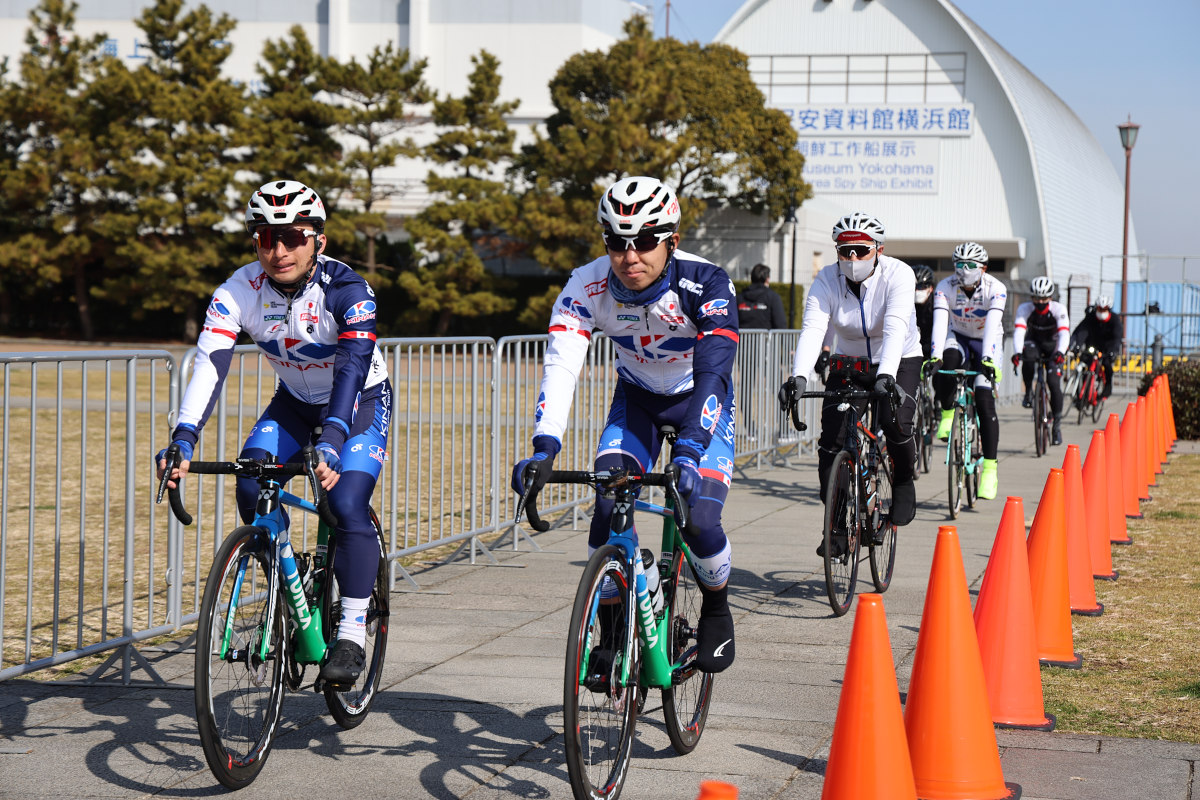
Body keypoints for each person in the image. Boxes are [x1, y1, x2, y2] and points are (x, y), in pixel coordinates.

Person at [156, 180, 392, 688]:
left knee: (348, 504)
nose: (278, 251)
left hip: (358, 404)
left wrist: (331, 434)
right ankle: (289, 599)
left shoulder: (348, 290)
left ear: (319, 242)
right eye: (265, 238)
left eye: (292, 237)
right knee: (250, 480)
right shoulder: (238, 290)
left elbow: (351, 367)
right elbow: (209, 365)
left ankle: (352, 631)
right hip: (293, 404)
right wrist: (184, 436)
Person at [511, 176, 738, 674]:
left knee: (698, 516)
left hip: (698, 400)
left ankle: (717, 607)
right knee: (609, 502)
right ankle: (614, 630)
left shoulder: (707, 282)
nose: (630, 256)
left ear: (672, 241)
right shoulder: (586, 284)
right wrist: (544, 447)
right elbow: (563, 363)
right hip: (636, 402)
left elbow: (715, 370)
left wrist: (690, 451)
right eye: (616, 241)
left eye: (645, 241)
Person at [777, 211, 922, 557]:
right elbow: (813, 328)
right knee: (832, 441)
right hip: (851, 361)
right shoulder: (826, 280)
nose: (853, 258)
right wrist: (800, 376)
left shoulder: (899, 275)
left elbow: (895, 327)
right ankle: (837, 524)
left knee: (894, 420)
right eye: (845, 251)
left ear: (879, 250)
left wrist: (886, 374)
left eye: (861, 250)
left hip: (899, 357)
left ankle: (903, 479)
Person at [927, 241, 1005, 500]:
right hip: (957, 336)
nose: (963, 270)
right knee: (946, 365)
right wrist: (935, 356)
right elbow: (940, 323)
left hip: (986, 339)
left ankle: (991, 469)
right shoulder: (945, 286)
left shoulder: (996, 288)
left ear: (982, 268)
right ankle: (947, 414)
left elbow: (993, 324)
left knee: (984, 400)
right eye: (959, 264)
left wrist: (988, 360)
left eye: (970, 265)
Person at [1012, 276, 1069, 445]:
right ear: (1032, 298)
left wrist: (1060, 352)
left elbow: (1064, 333)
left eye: (1044, 299)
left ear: (1050, 298)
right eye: (1037, 298)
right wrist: (1016, 352)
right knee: (1027, 357)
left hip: (1053, 346)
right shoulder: (1025, 308)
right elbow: (1019, 332)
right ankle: (1029, 391)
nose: (1040, 302)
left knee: (1053, 382)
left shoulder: (1059, 309)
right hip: (1033, 342)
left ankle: (1056, 427)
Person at [1069, 295, 1123, 398]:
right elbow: (1081, 332)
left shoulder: (1115, 320)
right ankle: (1081, 392)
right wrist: (1077, 346)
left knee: (1107, 364)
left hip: (1107, 346)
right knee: (1084, 363)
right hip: (1092, 345)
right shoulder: (1091, 317)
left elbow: (1117, 338)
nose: (1101, 312)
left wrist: (1113, 351)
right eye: (1099, 309)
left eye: (1104, 309)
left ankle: (1107, 387)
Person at [736, 263, 787, 329]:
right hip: (765, 339)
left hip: (742, 339)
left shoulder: (739, 298)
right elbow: (780, 324)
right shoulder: (773, 297)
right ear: (767, 279)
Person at [912, 264, 936, 359]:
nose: (917, 290)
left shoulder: (938, 304)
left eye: (922, 286)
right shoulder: (905, 303)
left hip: (932, 346)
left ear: (931, 288)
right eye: (914, 286)